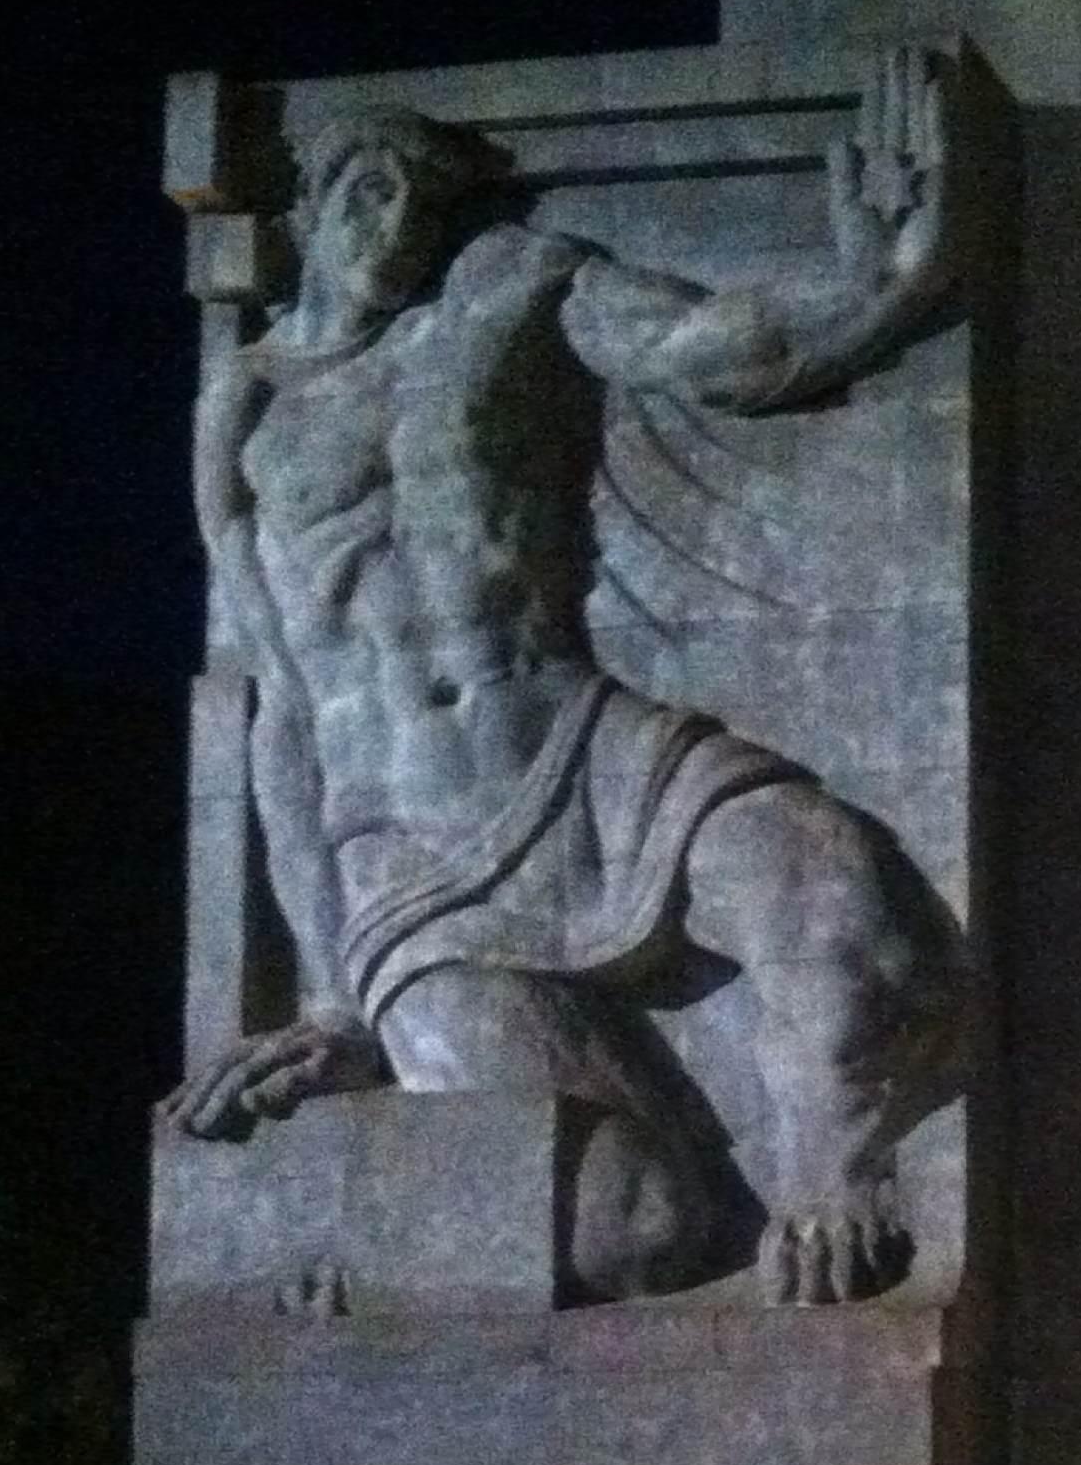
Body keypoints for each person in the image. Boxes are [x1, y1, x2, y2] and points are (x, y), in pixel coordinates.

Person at [162, 65, 967, 1304]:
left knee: (848, 909)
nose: (395, 231)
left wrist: (887, 286)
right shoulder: (249, 403)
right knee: (634, 1230)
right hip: (412, 868)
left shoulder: (505, 291)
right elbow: (279, 708)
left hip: (589, 758)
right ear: (311, 212)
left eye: (421, 210)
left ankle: (832, 1167)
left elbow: (712, 347)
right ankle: (337, 1238)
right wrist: (336, 999)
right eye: (369, 196)